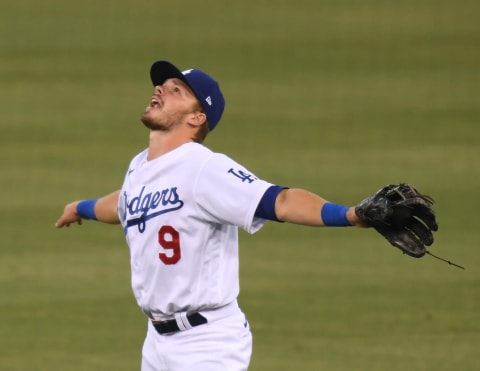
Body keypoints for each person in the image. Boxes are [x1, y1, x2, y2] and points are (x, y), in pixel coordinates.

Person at [55, 60, 367, 371]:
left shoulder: (203, 168)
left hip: (207, 344)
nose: (160, 90)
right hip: (156, 343)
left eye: (176, 90)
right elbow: (124, 204)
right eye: (161, 86)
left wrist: (350, 215)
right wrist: (81, 207)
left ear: (196, 116)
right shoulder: (139, 166)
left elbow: (279, 201)